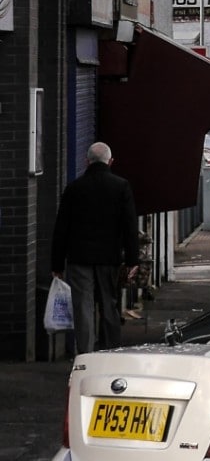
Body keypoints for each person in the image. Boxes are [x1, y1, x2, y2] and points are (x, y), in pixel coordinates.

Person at [51, 142, 140, 354]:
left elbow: (61, 227)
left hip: (79, 258)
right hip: (109, 258)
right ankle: (109, 353)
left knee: (83, 309)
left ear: (87, 161)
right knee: (109, 306)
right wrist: (132, 260)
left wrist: (57, 263)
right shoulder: (121, 186)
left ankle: (85, 356)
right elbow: (129, 226)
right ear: (110, 162)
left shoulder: (74, 188)